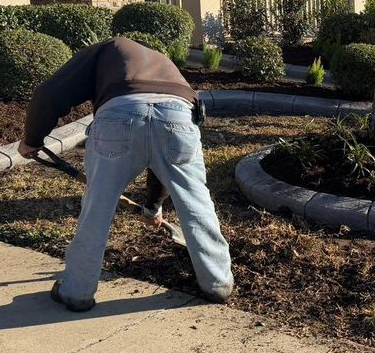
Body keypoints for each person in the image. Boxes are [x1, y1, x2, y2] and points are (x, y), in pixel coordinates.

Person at [18, 37, 233, 313]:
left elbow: (48, 95)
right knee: (196, 202)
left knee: (97, 208)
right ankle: (217, 282)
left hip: (119, 116)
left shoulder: (108, 48)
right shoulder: (164, 63)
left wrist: (32, 140)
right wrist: (152, 206)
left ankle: (76, 292)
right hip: (179, 117)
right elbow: (161, 157)